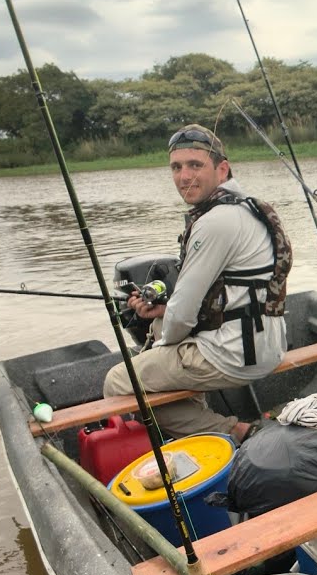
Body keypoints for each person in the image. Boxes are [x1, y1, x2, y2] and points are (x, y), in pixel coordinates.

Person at [103, 124, 291, 441]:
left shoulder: (214, 222)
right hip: (271, 346)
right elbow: (222, 294)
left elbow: (184, 313)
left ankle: (235, 431)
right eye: (176, 167)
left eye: (195, 165)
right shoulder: (250, 207)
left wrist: (162, 344)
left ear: (222, 168)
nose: (184, 176)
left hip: (235, 358)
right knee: (163, 326)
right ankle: (198, 416)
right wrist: (164, 314)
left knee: (119, 382)